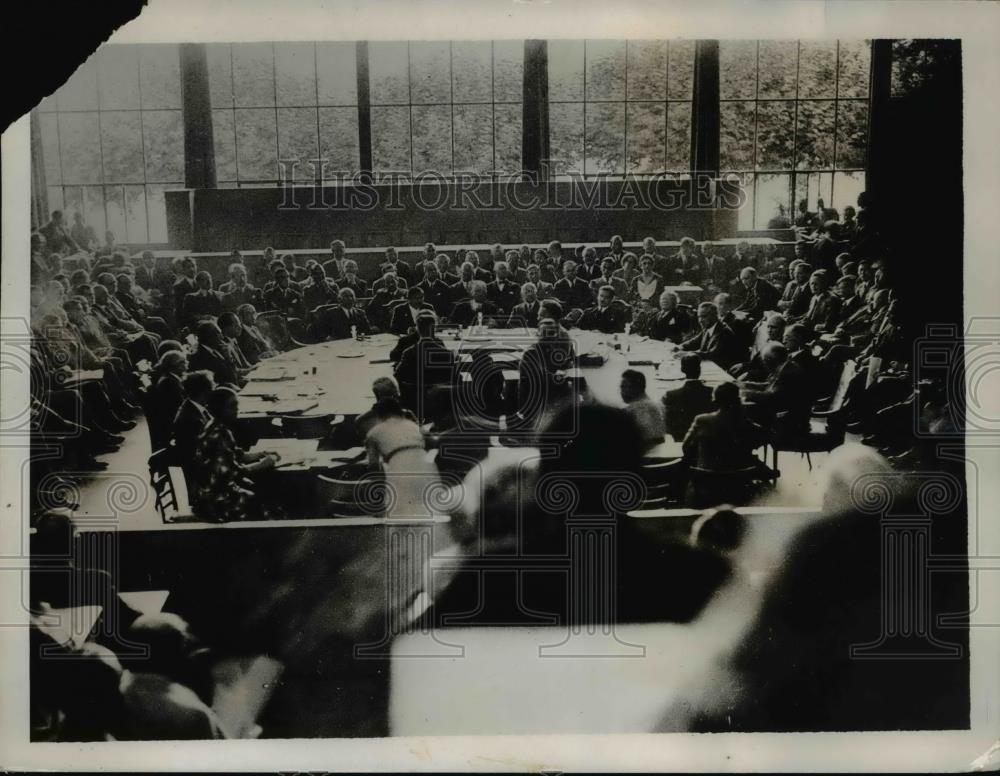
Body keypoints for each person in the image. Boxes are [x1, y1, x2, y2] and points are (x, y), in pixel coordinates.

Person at [190, 387, 279, 522]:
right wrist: (263, 464)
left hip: (217, 488)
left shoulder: (216, 426)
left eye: (237, 404)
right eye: (231, 406)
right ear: (219, 409)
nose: (236, 409)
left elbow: (237, 455)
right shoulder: (219, 434)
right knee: (265, 499)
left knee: (264, 492)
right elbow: (236, 472)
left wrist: (261, 454)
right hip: (216, 498)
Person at [364, 397, 440, 518]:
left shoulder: (373, 432)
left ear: (379, 415)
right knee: (431, 507)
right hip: (425, 462)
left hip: (399, 463)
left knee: (400, 513)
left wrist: (378, 500)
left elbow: (373, 467)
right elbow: (434, 443)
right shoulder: (413, 426)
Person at [682, 381, 761, 470]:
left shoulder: (701, 420)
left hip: (706, 479)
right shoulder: (746, 423)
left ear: (714, 400)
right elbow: (758, 442)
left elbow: (685, 447)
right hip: (738, 480)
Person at [394, 314, 456, 412]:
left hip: (415, 402)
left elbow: (397, 375)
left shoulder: (408, 353)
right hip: (441, 403)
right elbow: (455, 378)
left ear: (417, 329)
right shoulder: (447, 354)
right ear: (434, 329)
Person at [662, 354, 714, 441]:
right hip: (706, 439)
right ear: (699, 369)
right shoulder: (712, 392)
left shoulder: (671, 394)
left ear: (682, 369)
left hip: (680, 439)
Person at [171, 369, 215, 466]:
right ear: (205, 391)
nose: (214, 389)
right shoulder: (191, 419)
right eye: (213, 386)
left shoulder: (193, 407)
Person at [148, 349, 187, 451]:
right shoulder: (169, 383)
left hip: (171, 419)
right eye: (184, 361)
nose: (187, 364)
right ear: (176, 365)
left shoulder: (169, 378)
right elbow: (180, 407)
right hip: (174, 425)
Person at [681, 302, 741, 369]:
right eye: (699, 317)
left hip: (723, 370)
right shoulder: (707, 328)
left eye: (704, 316)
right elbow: (694, 342)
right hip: (710, 366)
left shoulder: (723, 332)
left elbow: (713, 355)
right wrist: (680, 347)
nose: (700, 320)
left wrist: (687, 354)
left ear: (714, 315)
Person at [620, 369, 665, 449]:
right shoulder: (658, 404)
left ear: (635, 388)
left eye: (623, 387)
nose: (620, 391)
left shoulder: (631, 411)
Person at [188, 320, 242, 388]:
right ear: (209, 336)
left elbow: (230, 375)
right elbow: (214, 382)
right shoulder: (199, 357)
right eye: (219, 334)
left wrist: (228, 358)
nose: (222, 337)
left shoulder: (215, 350)